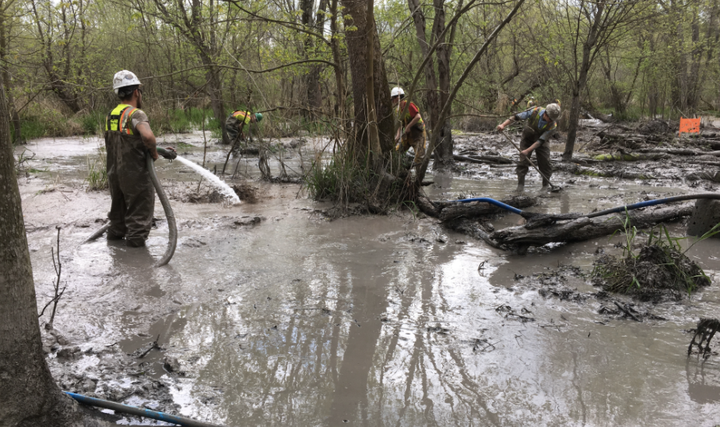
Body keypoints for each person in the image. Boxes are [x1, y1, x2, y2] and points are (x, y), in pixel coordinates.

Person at [105, 70, 169, 247]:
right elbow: (148, 137)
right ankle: (137, 262)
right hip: (135, 175)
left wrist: (158, 149)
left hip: (114, 174)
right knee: (139, 219)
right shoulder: (136, 114)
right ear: (135, 92)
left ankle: (115, 253)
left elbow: (125, 141)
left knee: (117, 217)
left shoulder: (111, 115)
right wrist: (155, 154)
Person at [496, 103, 561, 192]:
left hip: (541, 141)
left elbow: (540, 141)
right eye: (550, 119)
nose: (550, 121)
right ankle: (520, 186)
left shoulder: (552, 126)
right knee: (523, 162)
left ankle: (545, 186)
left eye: (552, 120)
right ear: (545, 113)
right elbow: (516, 117)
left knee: (545, 162)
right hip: (527, 138)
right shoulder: (535, 111)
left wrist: (527, 151)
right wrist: (503, 125)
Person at [391, 87, 426, 168]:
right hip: (408, 135)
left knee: (419, 157)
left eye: (393, 98)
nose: (392, 101)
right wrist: (398, 135)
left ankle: (417, 177)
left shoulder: (409, 105)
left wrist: (408, 126)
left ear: (398, 98)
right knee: (397, 152)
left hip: (419, 134)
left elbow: (417, 116)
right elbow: (400, 123)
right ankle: (400, 170)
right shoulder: (398, 110)